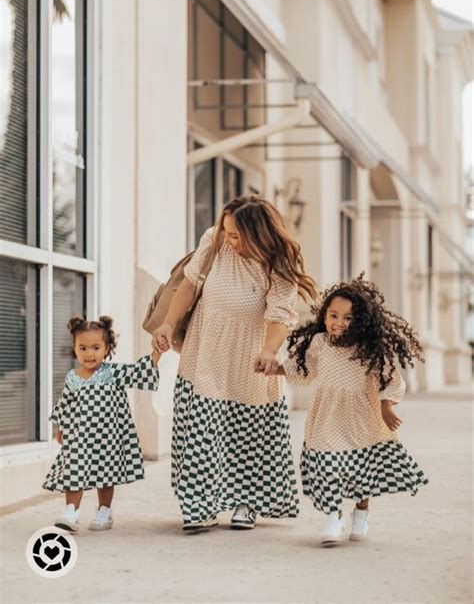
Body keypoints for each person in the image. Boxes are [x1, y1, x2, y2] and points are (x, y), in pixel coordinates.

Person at [153, 195, 319, 531]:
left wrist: (271, 351)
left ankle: (247, 502)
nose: (231, 240)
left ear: (259, 233)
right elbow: (189, 284)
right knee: (201, 427)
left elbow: (280, 315)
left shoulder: (278, 262)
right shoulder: (214, 241)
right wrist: (168, 324)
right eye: (228, 233)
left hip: (250, 356)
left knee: (247, 431)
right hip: (205, 349)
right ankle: (200, 505)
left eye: (237, 235)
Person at [261, 274, 428, 547]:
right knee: (327, 466)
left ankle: (361, 511)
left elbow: (391, 379)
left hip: (361, 419)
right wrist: (273, 368)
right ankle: (333, 516)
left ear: (360, 321)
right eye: (334, 315)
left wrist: (387, 406)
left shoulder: (370, 349)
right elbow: (303, 371)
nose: (338, 323)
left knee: (361, 472)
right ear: (324, 315)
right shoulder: (318, 344)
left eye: (348, 318)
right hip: (326, 418)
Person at [43, 316, 160, 533]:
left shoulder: (113, 373)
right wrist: (60, 426)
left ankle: (104, 511)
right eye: (83, 348)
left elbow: (138, 372)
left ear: (107, 348)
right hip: (80, 437)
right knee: (73, 470)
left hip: (108, 437)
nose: (89, 354)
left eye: (96, 347)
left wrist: (156, 355)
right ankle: (71, 511)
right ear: (75, 349)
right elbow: (65, 404)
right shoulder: (72, 377)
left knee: (105, 474)